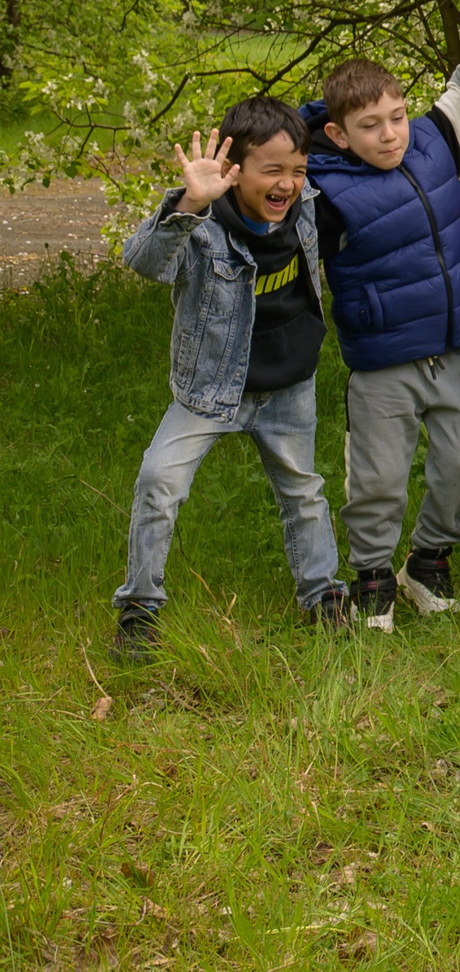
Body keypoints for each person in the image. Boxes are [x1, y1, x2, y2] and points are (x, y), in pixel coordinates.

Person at [302, 34, 460, 630]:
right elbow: (266, 175)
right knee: (379, 480)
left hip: (456, 350)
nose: (391, 135)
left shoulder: (434, 140)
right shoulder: (323, 190)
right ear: (339, 135)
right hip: (383, 362)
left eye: (395, 116)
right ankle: (371, 578)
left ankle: (426, 562)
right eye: (370, 126)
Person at [112, 101, 352, 658]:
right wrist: (189, 202)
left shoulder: (308, 205)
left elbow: (337, 121)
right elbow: (144, 261)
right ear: (234, 169)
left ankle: (323, 595)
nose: (287, 183)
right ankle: (139, 607)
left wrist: (310, 121)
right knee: (158, 482)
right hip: (211, 386)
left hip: (289, 384)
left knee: (304, 491)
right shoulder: (204, 223)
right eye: (272, 170)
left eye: (297, 169)